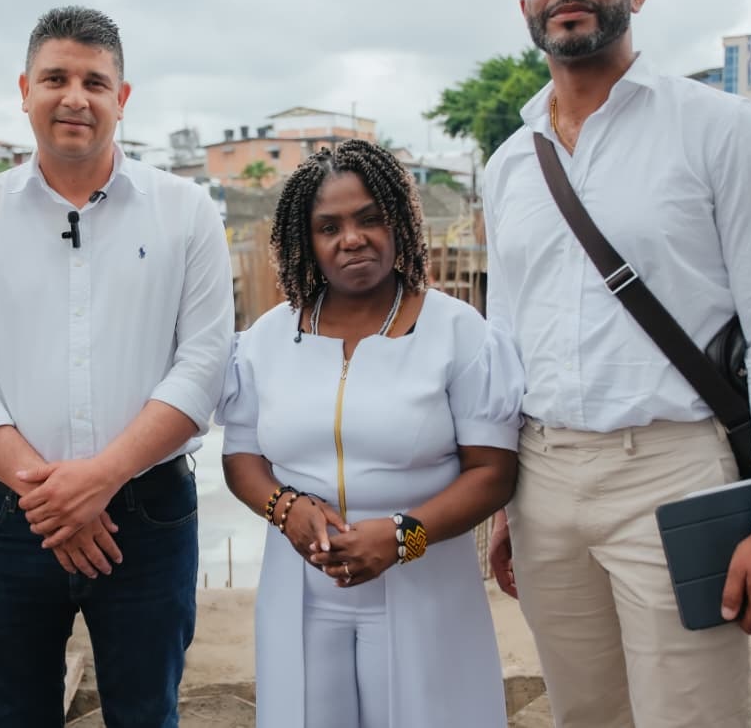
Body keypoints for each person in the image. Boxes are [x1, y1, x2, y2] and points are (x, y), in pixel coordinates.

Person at [483, 0, 751, 726]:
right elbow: (505, 343)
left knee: (693, 717)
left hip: (671, 473)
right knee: (583, 715)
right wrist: (503, 497)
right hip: (544, 478)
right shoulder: (509, 164)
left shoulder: (722, 129)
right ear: (525, 0)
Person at [0, 6, 233, 727]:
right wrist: (51, 494)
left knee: (147, 712)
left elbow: (204, 361)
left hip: (148, 514)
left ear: (122, 98)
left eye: (96, 81)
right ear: (24, 90)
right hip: (8, 514)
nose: (75, 96)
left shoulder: (187, 210)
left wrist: (102, 476)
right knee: (10, 712)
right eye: (56, 78)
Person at [217, 140, 522, 727]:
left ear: (399, 222)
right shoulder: (267, 339)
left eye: (368, 219)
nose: (350, 238)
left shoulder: (458, 333)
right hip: (301, 592)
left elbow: (494, 473)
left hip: (425, 583)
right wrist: (285, 508)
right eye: (328, 226)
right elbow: (241, 456)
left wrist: (402, 537)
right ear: (306, 241)